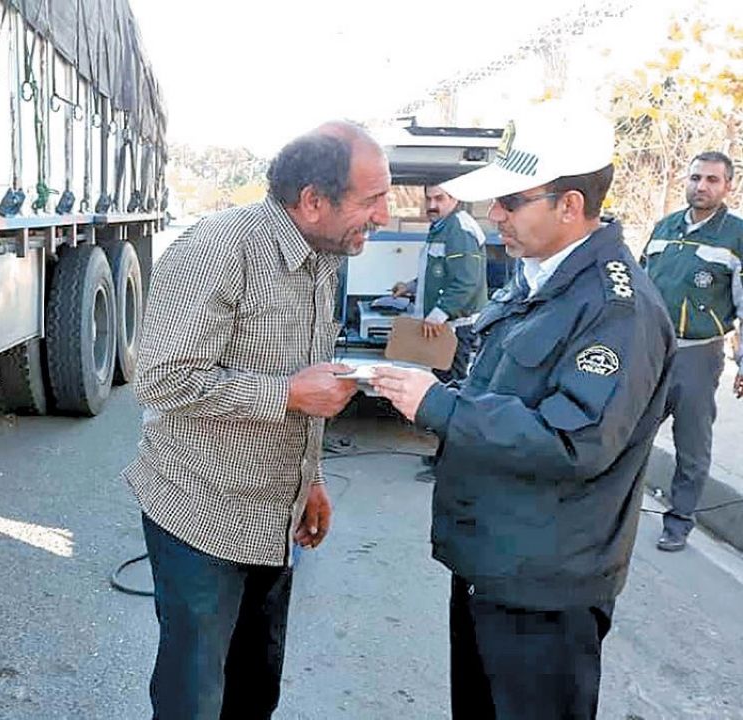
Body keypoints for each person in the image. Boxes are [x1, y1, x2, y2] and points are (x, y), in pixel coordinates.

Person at [368, 101, 675, 719]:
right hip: (496, 562)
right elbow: (496, 374)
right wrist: (425, 371)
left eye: (513, 200)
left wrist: (441, 409)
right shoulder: (536, 276)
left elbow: (574, 441)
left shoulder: (617, 310)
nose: (496, 215)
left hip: (545, 584)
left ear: (570, 205)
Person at [122, 121, 391, 719]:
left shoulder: (323, 255)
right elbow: (163, 380)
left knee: (255, 687)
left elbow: (309, 374)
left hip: (275, 516)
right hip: (201, 514)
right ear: (313, 200)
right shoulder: (217, 251)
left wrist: (312, 477)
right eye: (371, 199)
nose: (386, 214)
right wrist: (287, 395)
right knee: (194, 697)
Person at [640, 151, 743, 552]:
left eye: (712, 180)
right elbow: (639, 288)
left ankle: (679, 521)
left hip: (699, 356)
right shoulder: (664, 227)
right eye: (696, 177)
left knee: (692, 443)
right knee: (630, 432)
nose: (701, 186)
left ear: (728, 186)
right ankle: (618, 508)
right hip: (651, 351)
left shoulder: (735, 235)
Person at [391, 184, 488, 383]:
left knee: (450, 385)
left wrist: (438, 314)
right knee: (439, 381)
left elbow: (466, 281)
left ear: (455, 199)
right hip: (442, 326)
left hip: (454, 328)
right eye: (428, 199)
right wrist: (410, 287)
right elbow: (440, 274)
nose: (432, 205)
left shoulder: (459, 229)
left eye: (439, 199)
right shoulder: (441, 226)